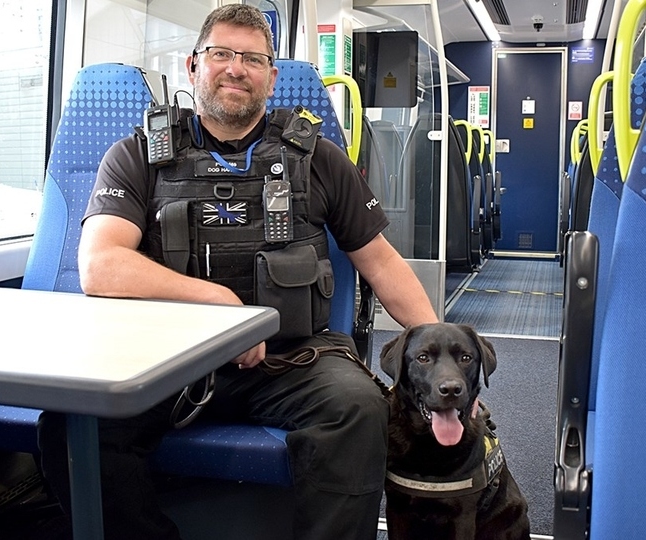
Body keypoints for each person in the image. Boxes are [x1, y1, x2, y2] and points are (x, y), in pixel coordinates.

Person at [37, 4, 437, 540]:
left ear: (272, 78)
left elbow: (382, 262)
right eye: (221, 53)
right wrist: (219, 305)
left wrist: (435, 358)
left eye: (253, 59)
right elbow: (101, 266)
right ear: (193, 66)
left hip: (291, 359)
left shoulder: (319, 159)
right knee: (69, 425)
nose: (235, 68)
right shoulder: (135, 156)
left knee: (361, 410)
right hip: (168, 361)